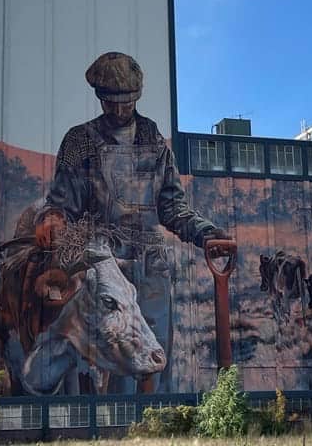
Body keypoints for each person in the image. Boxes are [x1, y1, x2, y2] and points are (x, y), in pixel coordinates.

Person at [34, 51, 232, 393]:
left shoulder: (154, 143)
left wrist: (205, 233)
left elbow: (171, 206)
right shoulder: (79, 141)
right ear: (100, 98)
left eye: (127, 101)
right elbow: (62, 202)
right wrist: (52, 218)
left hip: (151, 265)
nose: (120, 110)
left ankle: (159, 431)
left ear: (137, 97)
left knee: (155, 361)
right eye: (111, 102)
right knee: (122, 357)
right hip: (104, 266)